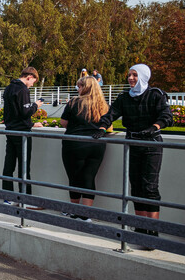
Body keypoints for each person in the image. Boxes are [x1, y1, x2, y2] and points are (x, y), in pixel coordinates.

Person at [100, 64, 173, 245]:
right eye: (129, 75)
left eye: (134, 75)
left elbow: (167, 116)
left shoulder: (156, 95)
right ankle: (140, 227)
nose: (131, 78)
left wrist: (154, 127)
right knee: (136, 186)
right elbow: (112, 113)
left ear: (143, 77)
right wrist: (102, 128)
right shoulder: (125, 97)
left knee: (150, 187)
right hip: (133, 144)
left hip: (151, 144)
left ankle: (153, 230)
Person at [60, 76, 108, 220]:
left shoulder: (74, 102)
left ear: (85, 87)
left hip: (74, 144)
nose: (78, 89)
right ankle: (86, 213)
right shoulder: (102, 105)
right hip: (96, 145)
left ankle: (74, 210)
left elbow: (63, 122)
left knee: (74, 178)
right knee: (89, 178)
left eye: (79, 86)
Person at [1, 67, 43, 200]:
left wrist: (30, 123)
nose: (32, 85)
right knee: (24, 167)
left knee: (9, 165)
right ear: (29, 77)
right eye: (33, 82)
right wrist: (36, 105)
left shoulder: (9, 88)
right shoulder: (23, 90)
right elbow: (25, 112)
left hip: (10, 130)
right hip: (22, 133)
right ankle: (25, 199)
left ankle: (8, 197)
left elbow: (14, 113)